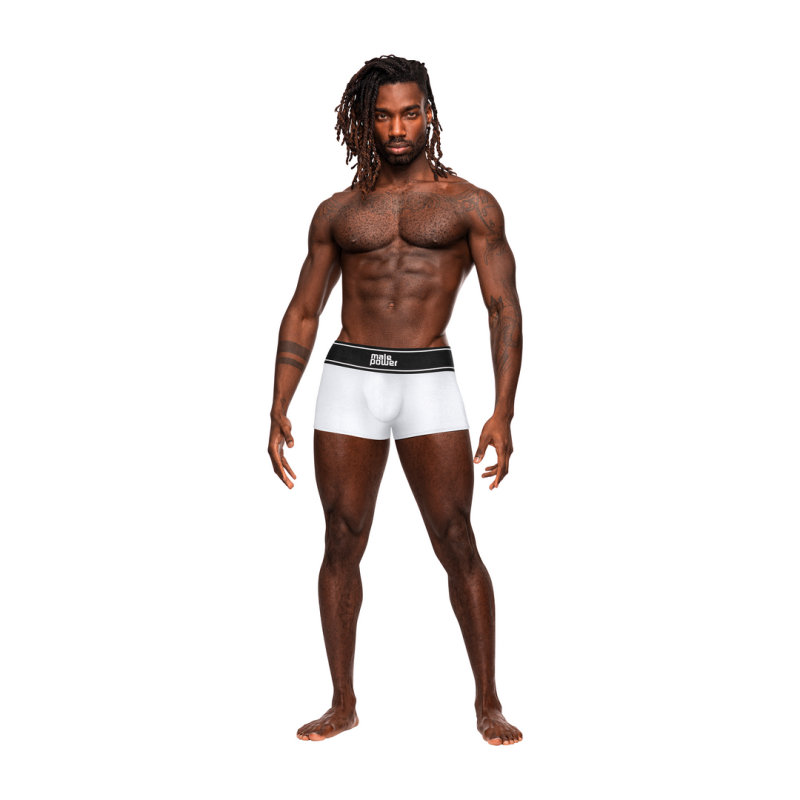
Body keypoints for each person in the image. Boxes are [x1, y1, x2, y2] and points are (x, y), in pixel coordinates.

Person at [269, 55, 523, 746]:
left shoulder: (471, 204)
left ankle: (489, 701)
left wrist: (503, 410)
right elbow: (304, 310)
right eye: (383, 116)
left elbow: (503, 308)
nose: (397, 128)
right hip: (349, 378)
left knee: (456, 538)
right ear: (366, 121)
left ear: (429, 113)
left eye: (410, 113)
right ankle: (342, 702)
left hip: (426, 379)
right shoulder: (338, 212)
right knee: (340, 537)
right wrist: (278, 401)